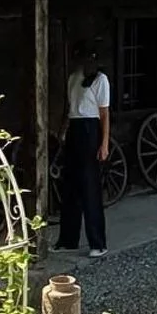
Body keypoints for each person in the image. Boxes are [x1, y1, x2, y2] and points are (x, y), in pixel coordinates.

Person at [56, 39, 110, 257]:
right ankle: (68, 239)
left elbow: (104, 114)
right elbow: (70, 108)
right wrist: (63, 132)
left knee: (89, 187)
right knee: (70, 187)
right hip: (75, 128)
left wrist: (104, 143)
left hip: (90, 129)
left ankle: (98, 243)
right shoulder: (73, 79)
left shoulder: (101, 80)